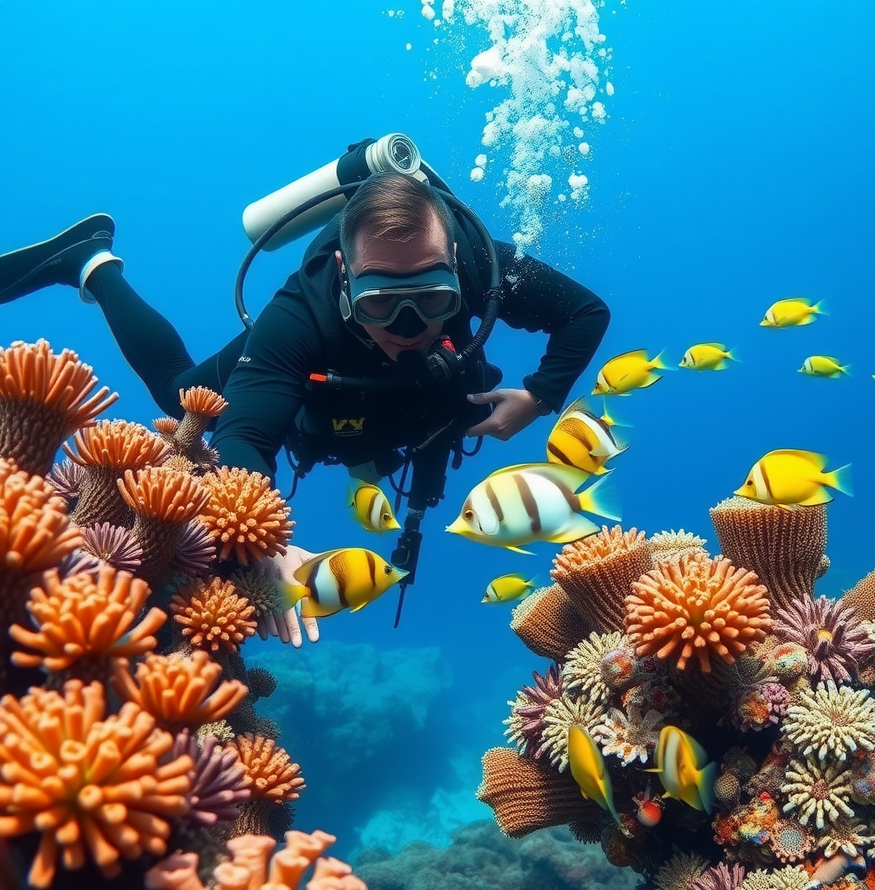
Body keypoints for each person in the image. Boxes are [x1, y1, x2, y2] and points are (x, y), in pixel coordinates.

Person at [0, 163, 610, 642]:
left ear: (456, 264)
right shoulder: (298, 318)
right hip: (331, 401)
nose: (406, 325)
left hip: (409, 417)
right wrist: (261, 537)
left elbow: (586, 311)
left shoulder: (483, 262)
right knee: (186, 395)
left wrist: (540, 394)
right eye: (379, 302)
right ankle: (94, 263)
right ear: (344, 273)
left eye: (429, 297)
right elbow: (242, 437)